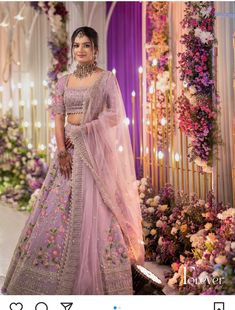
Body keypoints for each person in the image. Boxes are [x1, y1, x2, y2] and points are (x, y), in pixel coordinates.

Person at [1, 26, 145, 295]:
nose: (80, 50)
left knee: (98, 210)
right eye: (76, 45)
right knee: (56, 209)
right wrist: (62, 150)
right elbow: (58, 115)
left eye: (86, 45)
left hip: (94, 152)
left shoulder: (105, 80)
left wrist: (85, 130)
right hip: (68, 152)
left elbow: (114, 116)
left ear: (96, 50)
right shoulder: (63, 81)